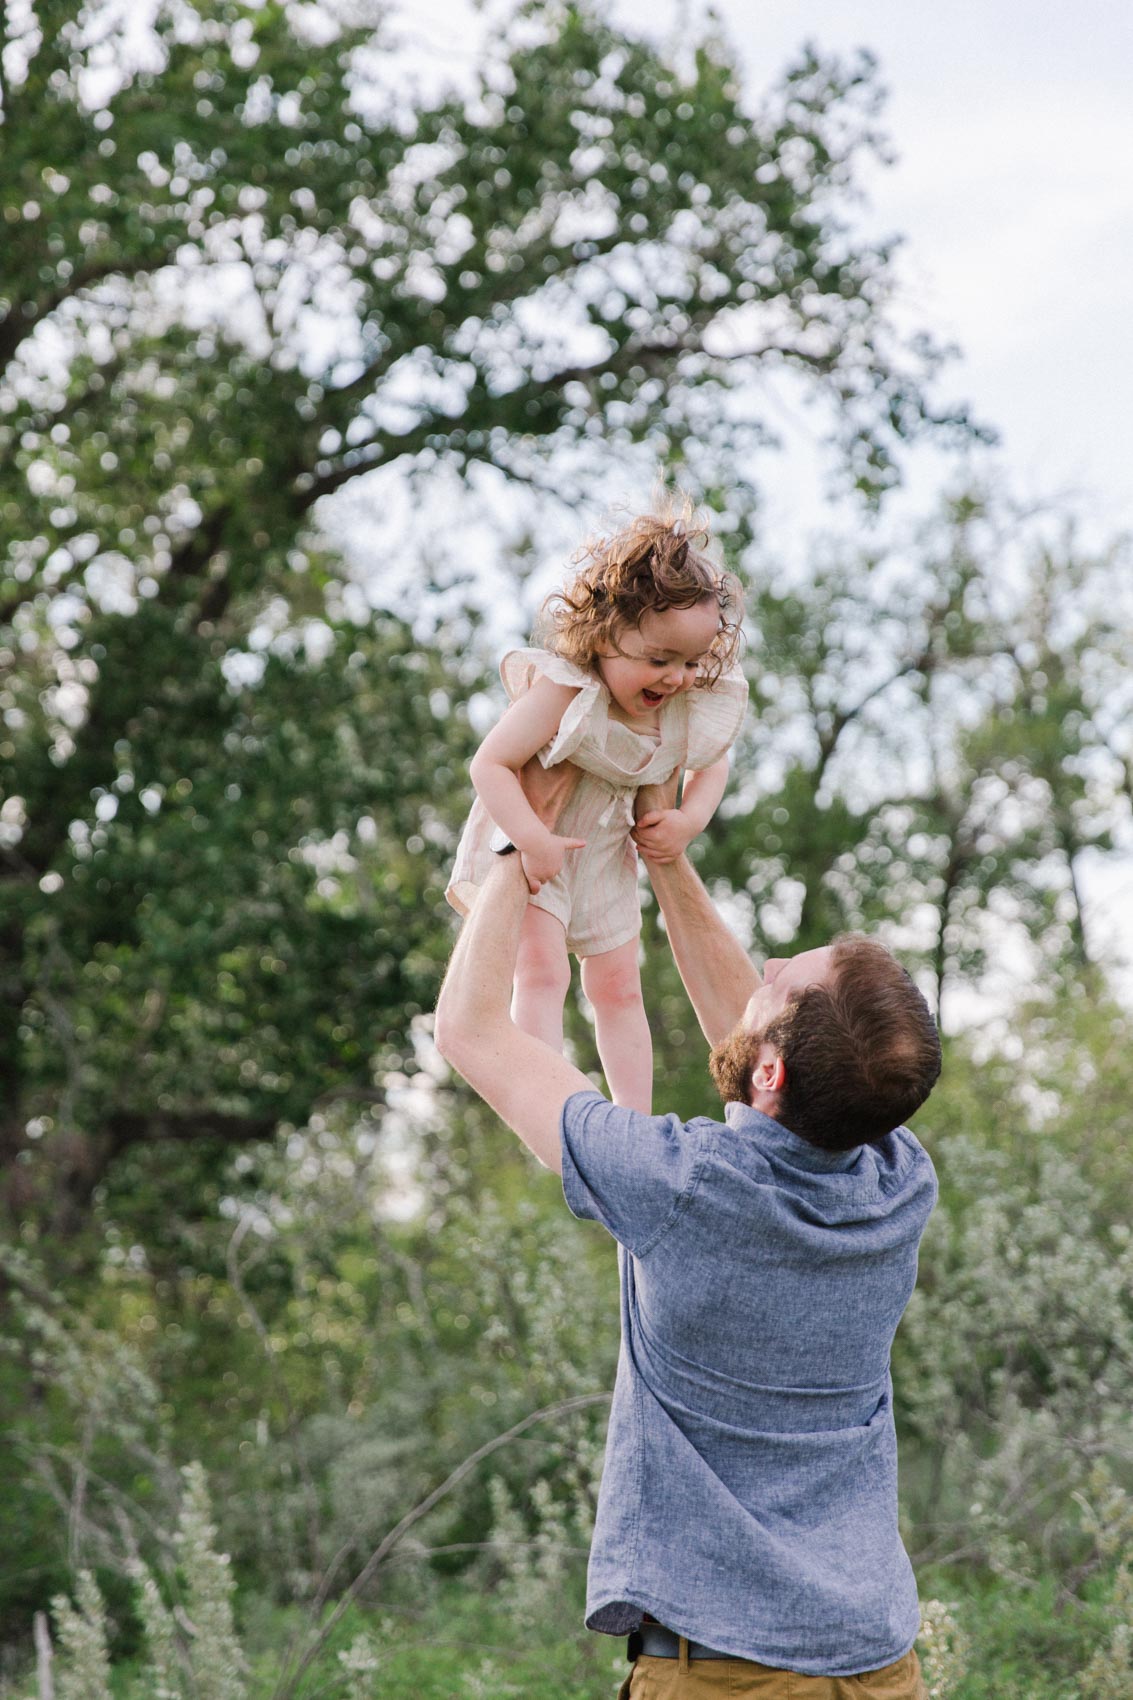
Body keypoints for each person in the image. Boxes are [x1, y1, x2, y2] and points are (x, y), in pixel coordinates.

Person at [434, 769, 942, 1700]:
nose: (768, 967)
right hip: (877, 1665)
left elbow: (469, 1031)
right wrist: (663, 861)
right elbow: (770, 1052)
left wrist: (519, 850)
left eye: (784, 972)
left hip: (723, 1676)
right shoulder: (897, 1181)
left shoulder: (679, 1186)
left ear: (775, 1075)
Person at [445, 507, 747, 1112]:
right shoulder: (567, 688)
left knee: (618, 989)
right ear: (606, 635)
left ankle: (631, 1119)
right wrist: (532, 840)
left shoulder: (684, 705)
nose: (676, 678)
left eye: (690, 662)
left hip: (607, 854)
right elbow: (490, 765)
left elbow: (712, 763)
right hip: (537, 839)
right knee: (541, 973)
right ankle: (544, 1104)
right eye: (658, 659)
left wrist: (687, 820)